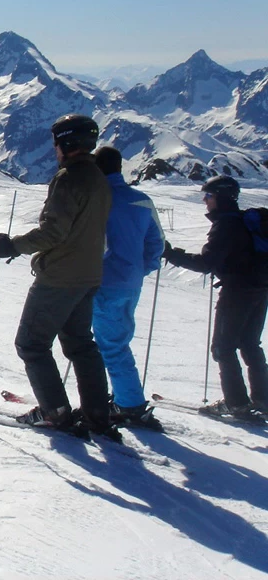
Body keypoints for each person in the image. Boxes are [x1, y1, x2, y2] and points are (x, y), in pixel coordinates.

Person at [0, 114, 118, 439]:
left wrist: (12, 246)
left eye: (57, 143)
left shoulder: (69, 178)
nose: (55, 149)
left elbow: (54, 232)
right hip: (88, 275)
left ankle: (55, 412)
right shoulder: (97, 177)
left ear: (66, 143)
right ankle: (97, 413)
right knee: (80, 344)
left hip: (60, 277)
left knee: (31, 344)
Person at [162, 175, 268, 419]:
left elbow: (205, 263)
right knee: (250, 343)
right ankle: (263, 399)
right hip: (259, 288)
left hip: (237, 292)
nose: (205, 200)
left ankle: (236, 403)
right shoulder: (244, 221)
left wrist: (171, 254)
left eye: (208, 195)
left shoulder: (226, 225)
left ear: (220, 197)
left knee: (223, 346)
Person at [91, 146, 165, 430]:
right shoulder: (142, 200)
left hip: (102, 281)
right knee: (114, 340)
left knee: (110, 344)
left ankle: (130, 404)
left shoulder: (99, 199)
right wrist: (138, 270)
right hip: (130, 282)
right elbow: (156, 243)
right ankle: (121, 396)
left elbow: (93, 242)